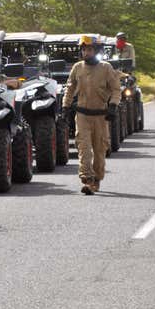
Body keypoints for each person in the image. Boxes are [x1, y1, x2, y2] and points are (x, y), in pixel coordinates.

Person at [61, 35, 121, 195]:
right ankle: (87, 179)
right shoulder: (77, 68)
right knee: (84, 149)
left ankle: (97, 179)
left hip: (101, 117)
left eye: (89, 49)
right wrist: (66, 107)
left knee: (100, 151)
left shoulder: (106, 68)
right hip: (82, 115)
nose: (85, 52)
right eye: (83, 49)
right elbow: (70, 88)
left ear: (96, 51)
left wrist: (113, 106)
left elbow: (116, 89)